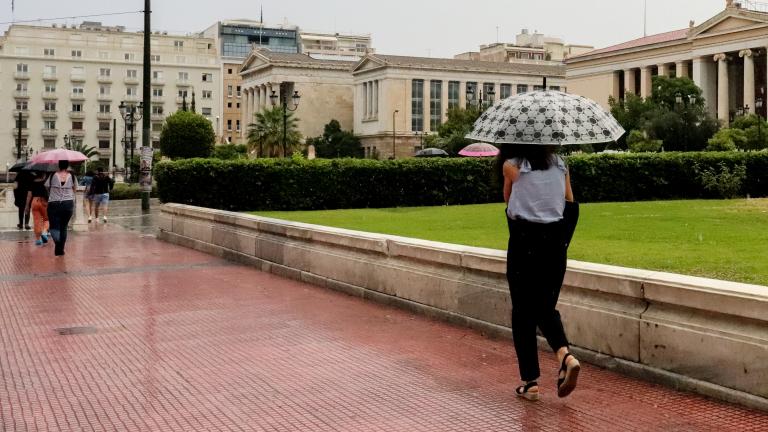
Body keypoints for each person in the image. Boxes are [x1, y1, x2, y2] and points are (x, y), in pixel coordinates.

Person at [499, 144, 580, 402]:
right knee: (545, 306)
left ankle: (531, 381)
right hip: (555, 243)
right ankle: (564, 354)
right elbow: (570, 202)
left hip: (525, 241)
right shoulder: (560, 164)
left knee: (523, 310)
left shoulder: (511, 166)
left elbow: (508, 200)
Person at [46, 160, 77, 257]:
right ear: (67, 166)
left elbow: (47, 187)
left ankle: (58, 244)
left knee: (53, 227)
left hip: (54, 203)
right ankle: (60, 250)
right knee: (64, 227)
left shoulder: (52, 175)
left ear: (58, 165)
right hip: (68, 204)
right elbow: (75, 188)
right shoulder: (72, 176)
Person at [25, 171, 50, 246]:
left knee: (37, 220)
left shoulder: (32, 182)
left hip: (34, 201)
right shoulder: (45, 182)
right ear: (43, 174)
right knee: (47, 219)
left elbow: (29, 195)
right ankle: (44, 232)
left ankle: (38, 239)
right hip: (44, 201)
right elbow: (48, 192)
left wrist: (27, 206)